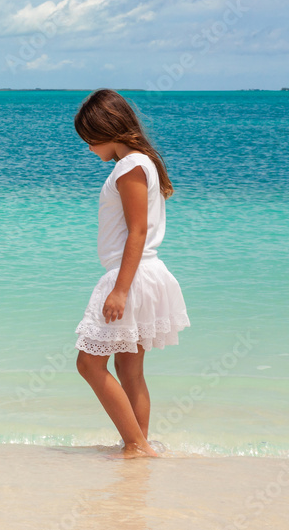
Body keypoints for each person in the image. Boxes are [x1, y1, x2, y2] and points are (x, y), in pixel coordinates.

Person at [73, 89, 190, 459]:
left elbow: (137, 231)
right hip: (144, 274)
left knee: (88, 363)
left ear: (106, 130)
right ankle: (139, 445)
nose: (89, 148)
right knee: (129, 366)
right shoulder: (139, 163)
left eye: (89, 139)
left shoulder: (130, 166)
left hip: (132, 276)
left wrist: (120, 290)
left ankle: (137, 444)